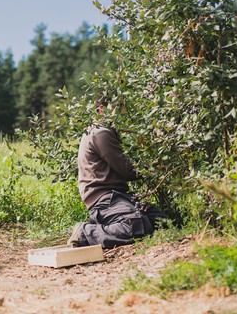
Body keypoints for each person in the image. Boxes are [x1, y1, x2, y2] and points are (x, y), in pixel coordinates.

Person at [67, 101, 166, 250]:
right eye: (117, 108)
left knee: (161, 222)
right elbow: (126, 170)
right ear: (102, 109)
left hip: (119, 196)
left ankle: (106, 223)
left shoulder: (106, 130)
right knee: (135, 227)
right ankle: (84, 232)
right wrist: (155, 164)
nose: (122, 113)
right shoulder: (100, 132)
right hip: (105, 198)